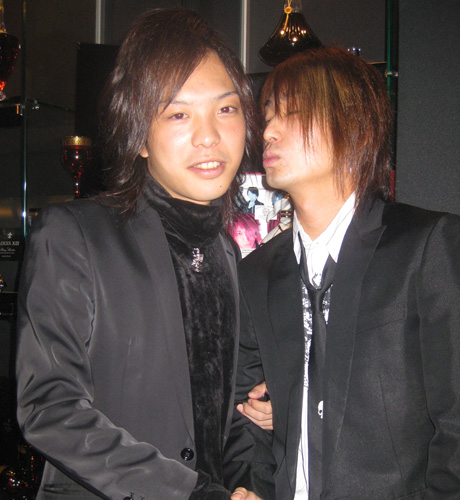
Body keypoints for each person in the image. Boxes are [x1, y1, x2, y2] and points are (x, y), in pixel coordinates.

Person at [16, 8, 269, 500]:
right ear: (140, 137)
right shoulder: (75, 235)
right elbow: (49, 406)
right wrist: (189, 492)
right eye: (178, 114)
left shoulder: (225, 252)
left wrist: (246, 485)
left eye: (226, 109)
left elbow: (229, 413)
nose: (209, 136)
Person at [224, 47, 460, 499]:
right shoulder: (257, 272)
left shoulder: (426, 247)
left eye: (292, 113)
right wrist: (249, 487)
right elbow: (241, 411)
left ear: (351, 124)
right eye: (268, 116)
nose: (268, 131)